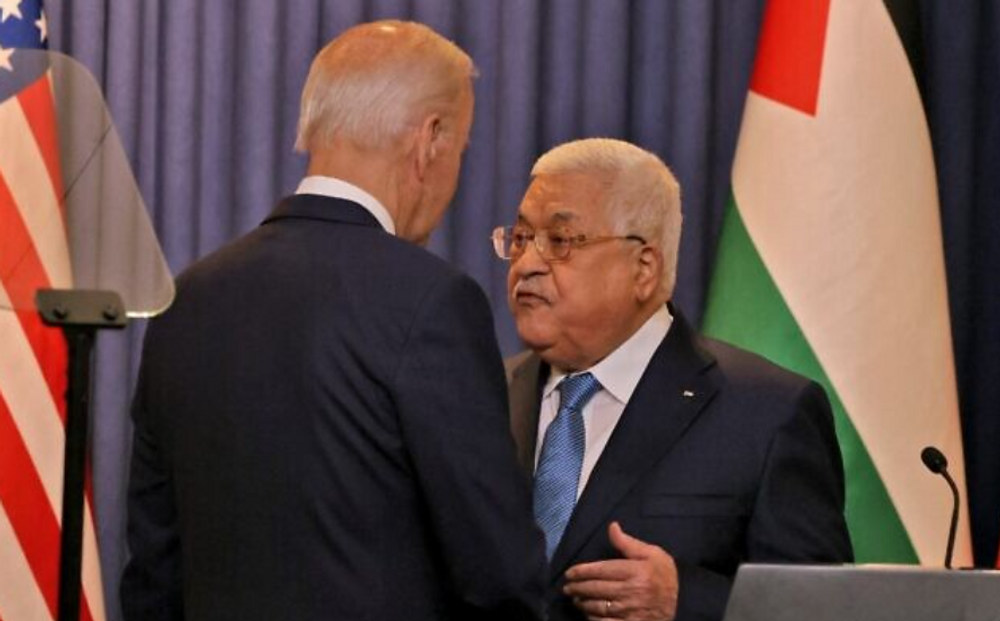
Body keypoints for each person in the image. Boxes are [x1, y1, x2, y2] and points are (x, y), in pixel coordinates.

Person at [121, 21, 546, 621]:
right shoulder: (431, 301)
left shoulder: (186, 297)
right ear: (429, 140)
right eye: (462, 147)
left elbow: (153, 570)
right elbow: (497, 572)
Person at [496, 138, 853, 621]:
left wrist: (688, 602)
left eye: (560, 242)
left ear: (643, 267)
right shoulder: (484, 391)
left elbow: (826, 612)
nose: (527, 264)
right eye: (519, 239)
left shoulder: (767, 413)